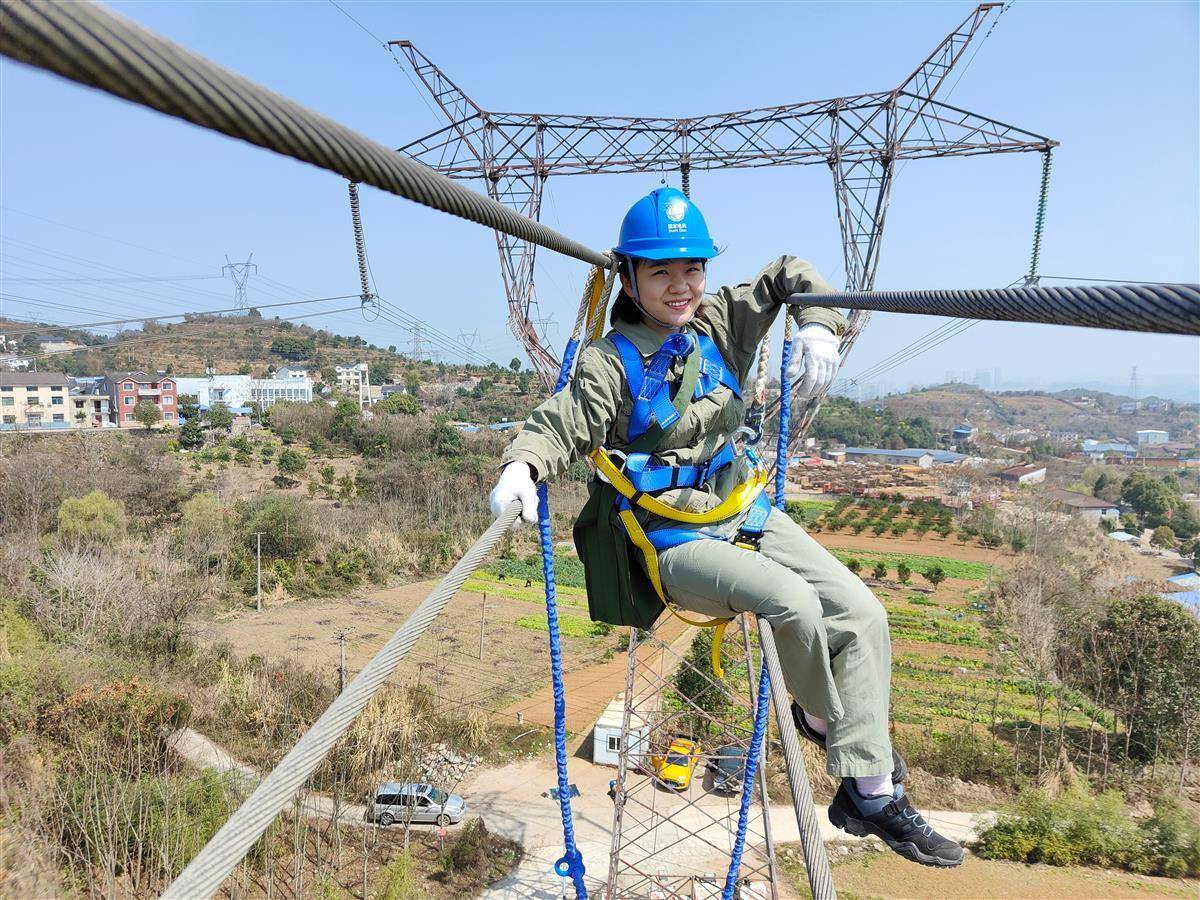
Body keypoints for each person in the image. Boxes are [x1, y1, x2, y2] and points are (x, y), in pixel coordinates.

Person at [489, 187, 963, 868]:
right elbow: (562, 421)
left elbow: (787, 273)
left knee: (863, 613)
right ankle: (846, 748)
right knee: (791, 603)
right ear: (627, 276)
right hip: (669, 539)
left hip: (738, 508)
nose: (681, 286)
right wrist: (524, 465)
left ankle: (865, 789)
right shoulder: (609, 361)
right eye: (660, 272)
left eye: (692, 269)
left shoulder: (718, 325)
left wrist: (820, 321)